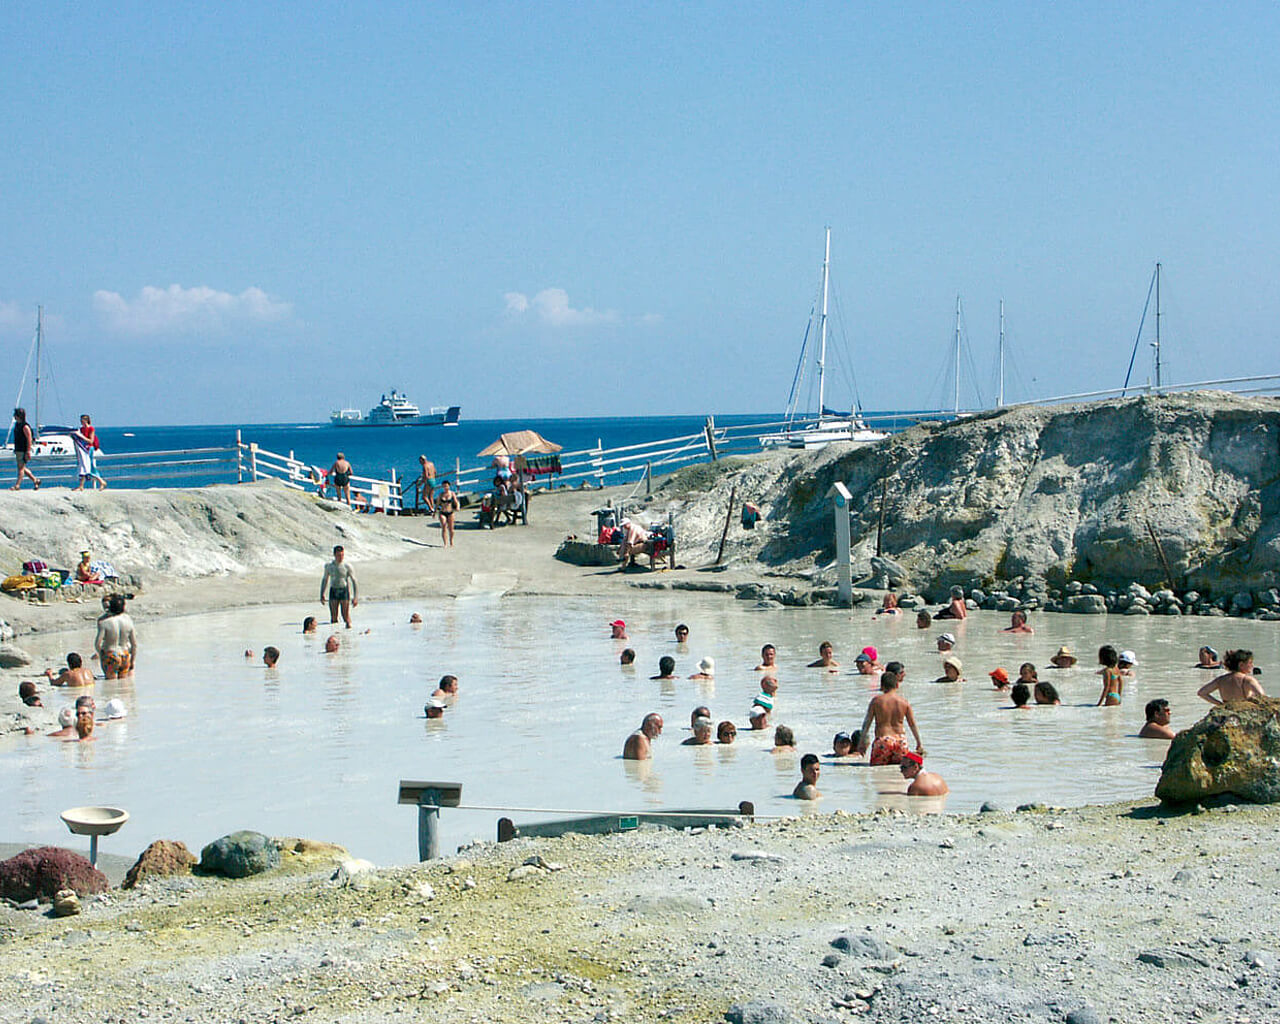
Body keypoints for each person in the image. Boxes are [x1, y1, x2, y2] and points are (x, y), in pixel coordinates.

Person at [855, 663, 925, 765]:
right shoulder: (904, 702)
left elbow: (867, 723)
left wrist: (861, 743)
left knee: (877, 772)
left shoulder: (876, 701)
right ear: (897, 685)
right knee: (899, 772)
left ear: (882, 686)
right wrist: (919, 743)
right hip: (900, 741)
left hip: (883, 740)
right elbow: (912, 725)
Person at [1197, 649, 1266, 706]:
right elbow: (1262, 696)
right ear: (1241, 665)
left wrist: (1219, 704)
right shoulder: (1248, 680)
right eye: (1250, 663)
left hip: (1227, 709)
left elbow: (1202, 693)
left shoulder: (1221, 679)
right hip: (1243, 709)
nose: (1252, 665)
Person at [94, 594, 137, 679]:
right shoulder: (128, 620)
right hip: (125, 655)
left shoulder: (104, 622)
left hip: (111, 655)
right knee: (123, 685)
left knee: (110, 683)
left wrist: (102, 655)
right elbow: (134, 644)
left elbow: (97, 644)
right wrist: (132, 661)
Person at [320, 545, 358, 628]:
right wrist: (322, 593)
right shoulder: (329, 566)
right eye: (338, 555)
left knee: (345, 616)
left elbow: (354, 581)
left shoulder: (347, 566)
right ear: (334, 555)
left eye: (342, 555)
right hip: (333, 590)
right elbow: (325, 580)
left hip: (344, 591)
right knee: (333, 617)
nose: (340, 557)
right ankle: (335, 635)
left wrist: (355, 597)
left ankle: (349, 635)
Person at [72, 414, 106, 490]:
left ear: (86, 420)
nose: (81, 422)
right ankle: (81, 485)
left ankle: (100, 481)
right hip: (83, 449)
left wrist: (81, 436)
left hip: (88, 449)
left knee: (88, 466)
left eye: (82, 420)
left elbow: (91, 440)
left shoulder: (91, 429)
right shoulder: (81, 429)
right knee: (84, 466)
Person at [10, 408, 39, 489]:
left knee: (21, 468)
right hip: (18, 449)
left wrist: (28, 451)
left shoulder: (25, 426)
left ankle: (17, 485)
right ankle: (35, 480)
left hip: (23, 450)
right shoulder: (17, 425)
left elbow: (29, 439)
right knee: (22, 468)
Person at [436, 480, 458, 547]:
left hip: (450, 512)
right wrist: (434, 512)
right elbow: (437, 504)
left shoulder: (452, 494)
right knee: (444, 527)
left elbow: (456, 502)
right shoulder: (440, 495)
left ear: (449, 486)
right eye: (444, 486)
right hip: (442, 512)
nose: (445, 487)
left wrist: (457, 507)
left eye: (446, 486)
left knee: (451, 529)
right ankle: (445, 543)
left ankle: (451, 542)